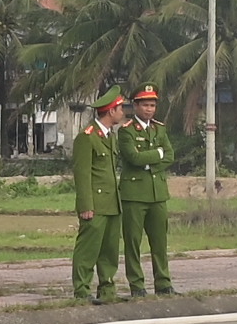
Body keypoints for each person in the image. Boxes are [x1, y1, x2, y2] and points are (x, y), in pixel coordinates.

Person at [116, 84, 177, 296]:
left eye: (152, 105)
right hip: (134, 194)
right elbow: (132, 158)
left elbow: (169, 155)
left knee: (160, 242)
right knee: (133, 242)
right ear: (135, 105)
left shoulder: (159, 128)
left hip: (157, 193)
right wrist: (157, 155)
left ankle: (163, 283)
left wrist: (151, 162)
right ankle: (137, 285)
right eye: (145, 105)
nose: (149, 109)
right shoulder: (126, 131)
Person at [70, 88, 128, 302]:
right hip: (95, 203)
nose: (123, 112)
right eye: (120, 108)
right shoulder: (87, 137)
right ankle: (82, 290)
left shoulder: (109, 136)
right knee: (88, 250)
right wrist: (85, 205)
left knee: (109, 251)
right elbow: (82, 174)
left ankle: (107, 289)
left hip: (112, 203)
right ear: (111, 111)